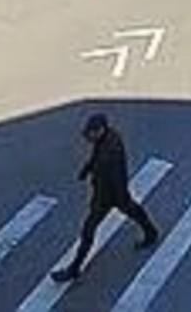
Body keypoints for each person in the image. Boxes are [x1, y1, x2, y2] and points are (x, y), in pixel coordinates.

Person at [50, 112, 159, 283]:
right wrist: (87, 169)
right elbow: (95, 156)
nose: (89, 137)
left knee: (89, 230)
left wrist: (110, 197)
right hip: (110, 193)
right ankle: (151, 232)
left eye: (91, 133)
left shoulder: (111, 150)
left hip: (109, 195)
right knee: (132, 210)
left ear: (100, 130)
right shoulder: (106, 139)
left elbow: (112, 175)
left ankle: (74, 268)